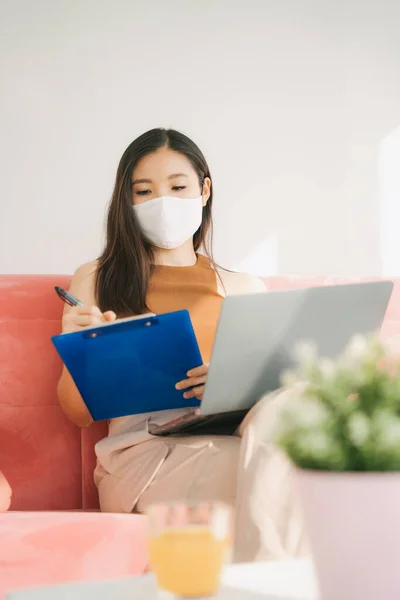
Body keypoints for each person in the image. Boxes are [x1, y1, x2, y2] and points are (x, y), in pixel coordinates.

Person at [57, 128, 307, 561]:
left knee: (290, 403)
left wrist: (234, 384)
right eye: (145, 191)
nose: (164, 202)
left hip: (239, 437)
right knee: (286, 482)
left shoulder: (244, 287)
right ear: (127, 201)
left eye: (177, 187)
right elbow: (76, 413)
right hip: (145, 454)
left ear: (204, 190)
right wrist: (82, 346)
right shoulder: (96, 278)